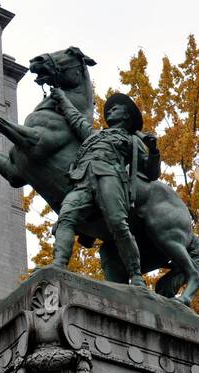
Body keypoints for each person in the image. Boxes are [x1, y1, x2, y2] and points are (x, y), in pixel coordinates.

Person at [49, 88, 151, 285]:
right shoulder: (94, 135)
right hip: (83, 179)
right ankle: (59, 263)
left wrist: (153, 150)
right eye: (109, 109)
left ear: (127, 116)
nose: (110, 111)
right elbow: (75, 119)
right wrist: (62, 97)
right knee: (66, 217)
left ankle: (136, 275)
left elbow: (152, 172)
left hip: (110, 177)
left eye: (116, 108)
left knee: (118, 225)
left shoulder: (133, 140)